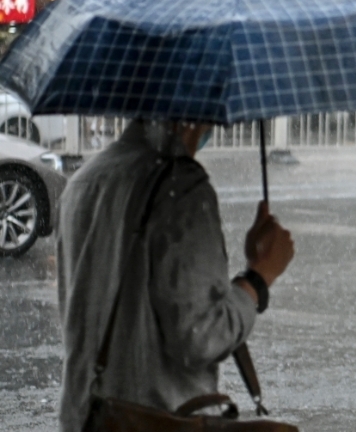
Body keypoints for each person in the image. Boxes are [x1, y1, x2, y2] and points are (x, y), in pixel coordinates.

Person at [56, 119, 294, 432]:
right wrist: (260, 276)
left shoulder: (84, 181)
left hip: (86, 419)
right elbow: (200, 338)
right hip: (156, 420)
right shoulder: (179, 186)